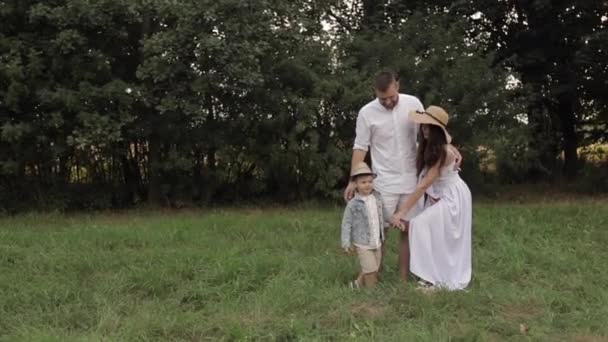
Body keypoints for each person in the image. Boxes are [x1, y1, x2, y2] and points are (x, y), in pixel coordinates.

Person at [344, 70, 426, 281]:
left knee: (408, 230)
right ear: (375, 92)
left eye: (391, 97)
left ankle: (403, 278)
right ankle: (373, 274)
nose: (388, 102)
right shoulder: (366, 113)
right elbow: (360, 147)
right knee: (379, 232)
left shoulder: (413, 103)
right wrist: (354, 180)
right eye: (383, 99)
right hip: (383, 181)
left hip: (411, 179)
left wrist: (447, 150)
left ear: (397, 86)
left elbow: (427, 134)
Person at [390, 106, 472, 291]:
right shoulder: (433, 148)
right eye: (423, 126)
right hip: (442, 194)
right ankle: (433, 274)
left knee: (420, 225)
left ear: (437, 130)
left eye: (429, 127)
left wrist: (401, 212)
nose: (424, 130)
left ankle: (433, 277)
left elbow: (424, 184)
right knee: (435, 233)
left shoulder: (444, 152)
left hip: (453, 197)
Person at [341, 162, 384, 289]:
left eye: (370, 181)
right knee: (370, 272)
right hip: (363, 242)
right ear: (356, 184)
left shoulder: (377, 197)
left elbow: (382, 215)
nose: (367, 185)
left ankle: (357, 285)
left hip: (376, 240)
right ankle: (372, 295)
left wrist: (393, 220)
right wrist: (345, 242)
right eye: (363, 182)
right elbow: (346, 223)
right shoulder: (353, 204)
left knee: (374, 268)